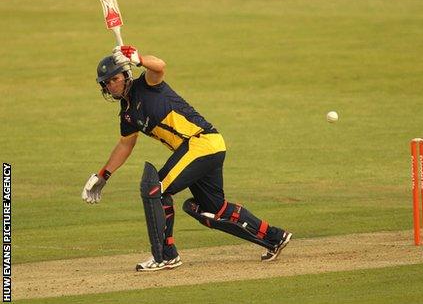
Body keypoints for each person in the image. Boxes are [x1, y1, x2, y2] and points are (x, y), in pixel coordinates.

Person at [82, 45, 292, 272]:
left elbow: (160, 67)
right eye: (106, 82)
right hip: (202, 149)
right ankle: (274, 237)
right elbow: (125, 144)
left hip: (200, 142)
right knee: (213, 210)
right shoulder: (128, 113)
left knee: (156, 189)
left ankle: (165, 255)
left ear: (125, 74)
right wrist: (104, 175)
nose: (110, 85)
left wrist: (138, 58)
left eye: (114, 78)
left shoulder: (147, 85)